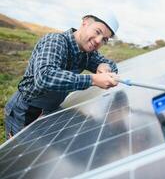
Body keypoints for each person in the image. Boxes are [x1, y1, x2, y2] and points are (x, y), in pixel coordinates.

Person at [4, 10, 120, 139]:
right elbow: (45, 77)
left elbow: (111, 66)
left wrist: (104, 66)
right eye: (97, 32)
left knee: (41, 151)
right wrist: (92, 79)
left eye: (104, 39)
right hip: (26, 110)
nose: (99, 41)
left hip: (50, 109)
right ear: (85, 23)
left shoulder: (88, 53)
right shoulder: (55, 41)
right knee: (21, 152)